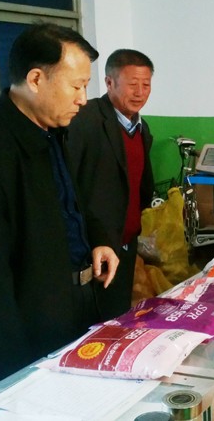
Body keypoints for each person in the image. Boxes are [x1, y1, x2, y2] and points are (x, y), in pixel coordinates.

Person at [0, 23, 119, 386]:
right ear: (36, 79)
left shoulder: (51, 132)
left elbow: (72, 201)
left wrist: (98, 239)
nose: (83, 99)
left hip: (78, 302)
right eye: (76, 86)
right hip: (31, 329)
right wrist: (9, 382)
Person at [67, 49, 155, 320]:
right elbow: (72, 186)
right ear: (109, 83)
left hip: (125, 243)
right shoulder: (84, 120)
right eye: (132, 84)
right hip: (94, 247)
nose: (140, 92)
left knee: (118, 315)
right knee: (94, 322)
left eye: (146, 84)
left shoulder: (141, 127)